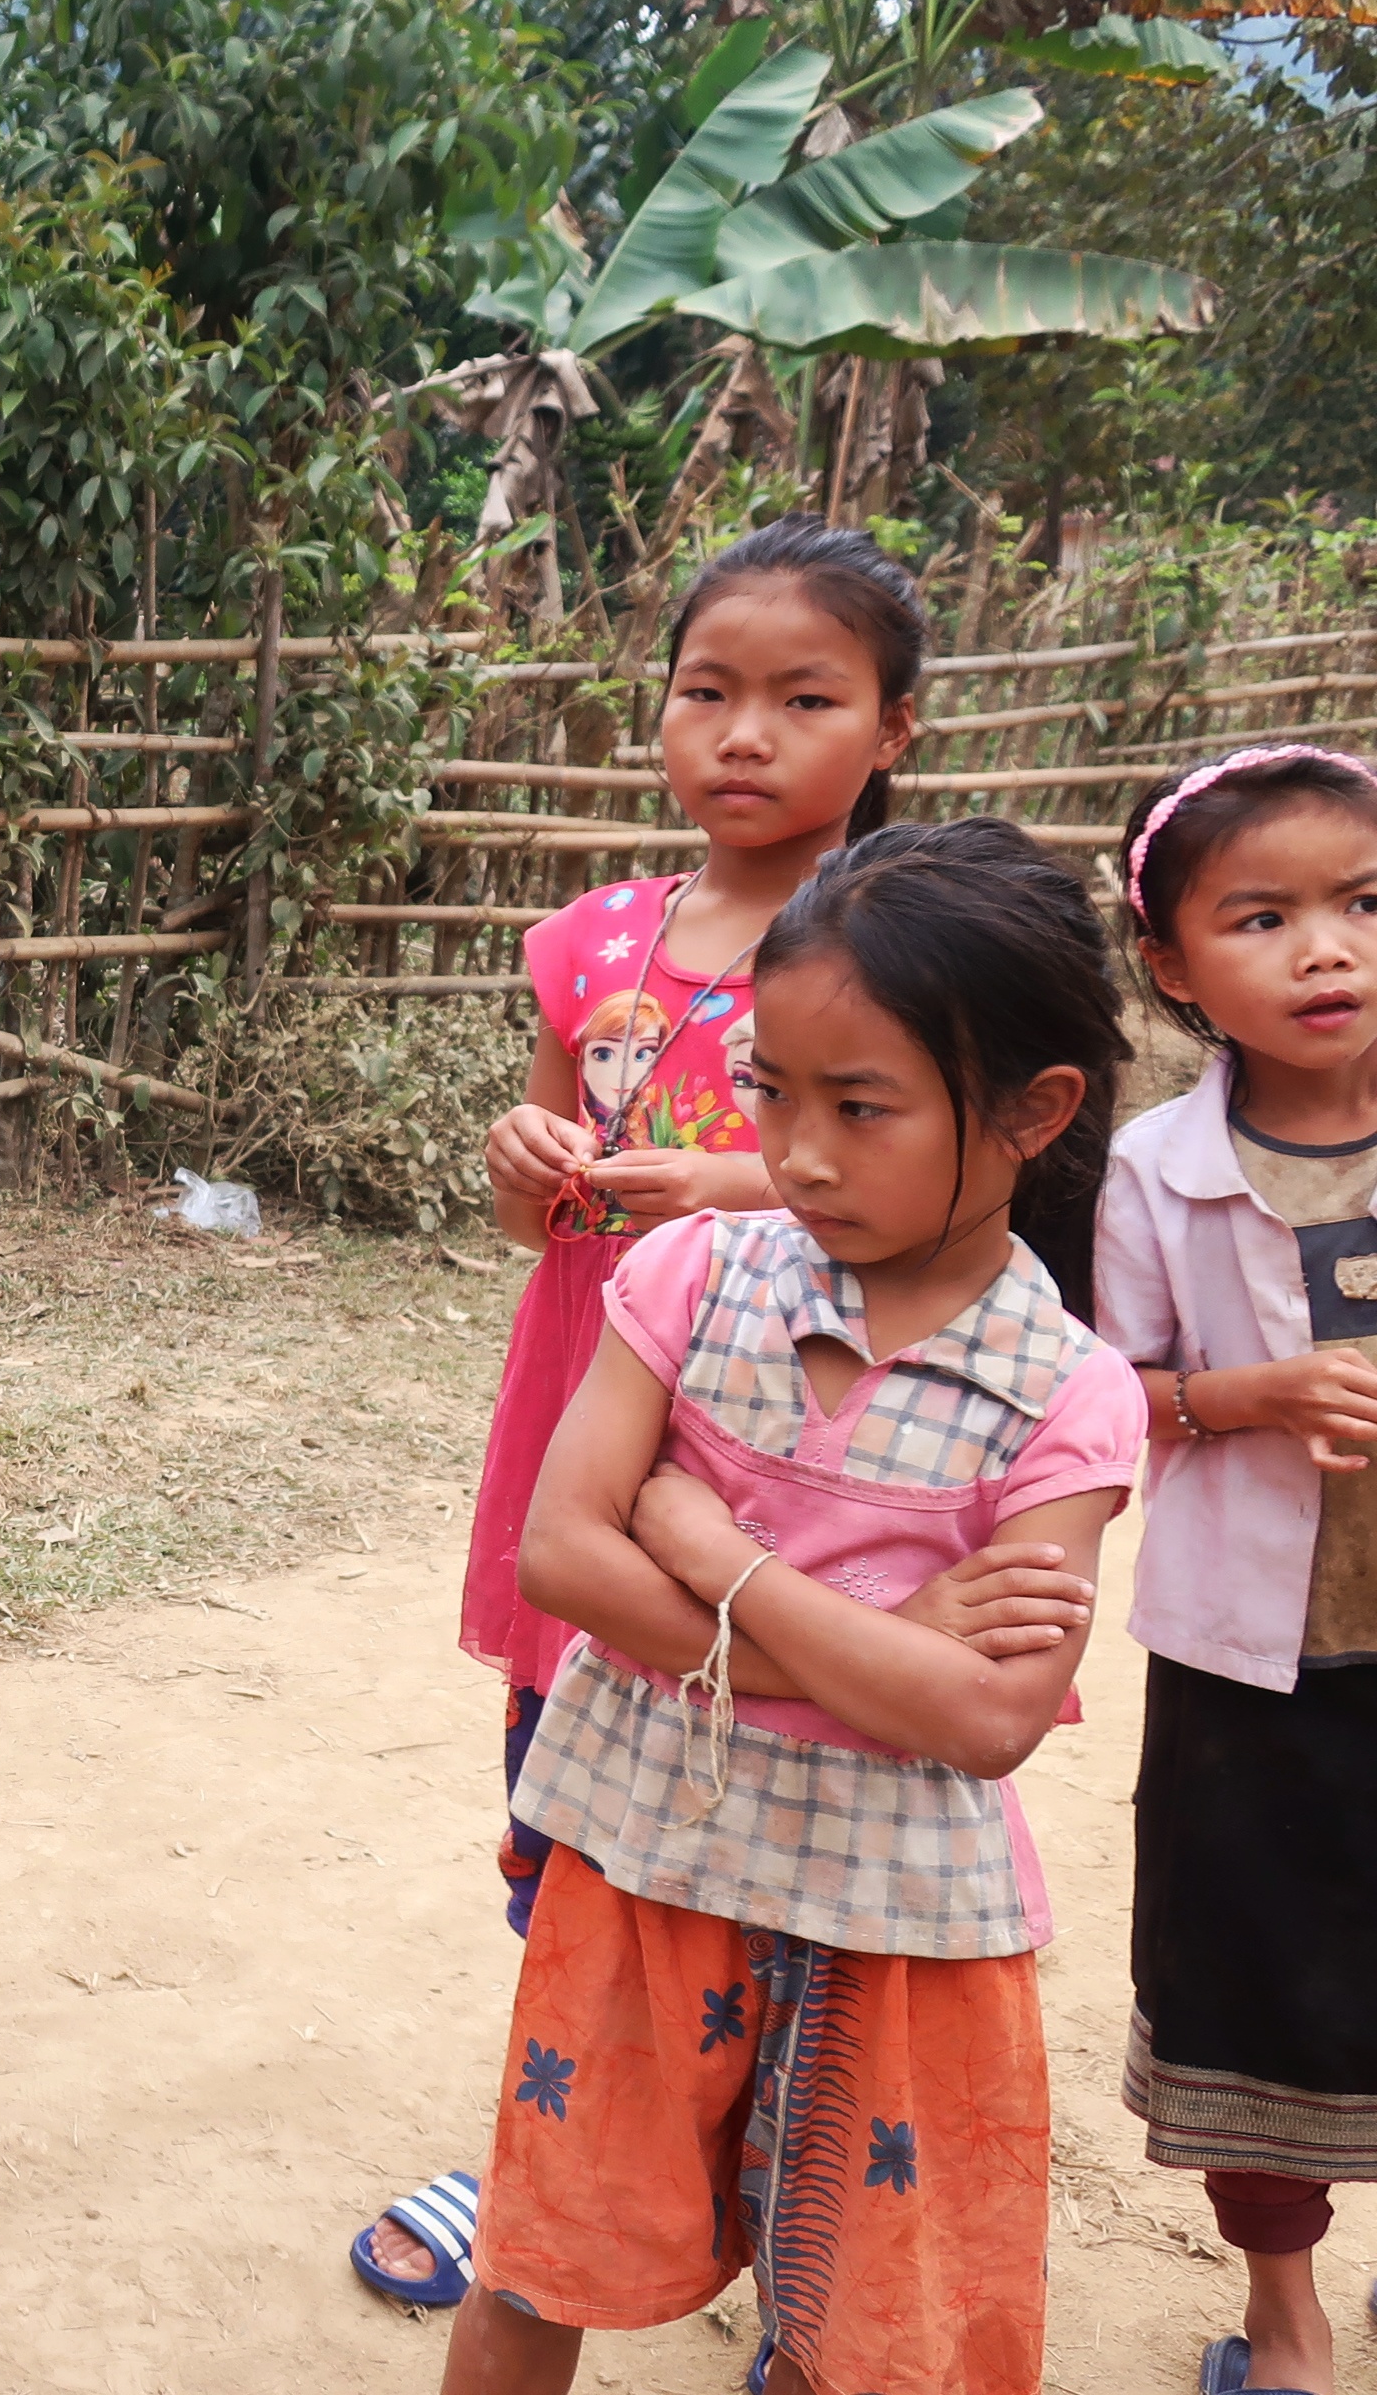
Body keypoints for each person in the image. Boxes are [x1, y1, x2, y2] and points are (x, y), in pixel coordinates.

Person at [440, 817, 1146, 2395]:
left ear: (1035, 1113)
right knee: (537, 2254)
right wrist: (882, 1644)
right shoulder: (695, 1271)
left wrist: (707, 1547)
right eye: (771, 1088)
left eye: (862, 1106)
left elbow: (985, 1721)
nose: (801, 1150)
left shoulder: (1068, 1395)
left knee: (866, 2337)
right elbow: (560, 1556)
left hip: (895, 1927)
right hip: (643, 1867)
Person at [353, 516, 923, 2305]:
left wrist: (741, 1187)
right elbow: (541, 1215)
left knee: (786, 1776)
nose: (740, 734)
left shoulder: (916, 948)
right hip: (582, 1412)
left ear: (892, 727)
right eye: (705, 691)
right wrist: (524, 1159)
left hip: (803, 1444)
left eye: (800, 696)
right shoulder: (590, 942)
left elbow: (963, 1189)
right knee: (567, 1778)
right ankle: (555, 2123)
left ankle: (767, 2150)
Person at [1099, 744, 1377, 2395]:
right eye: (1260, 916)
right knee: (1249, 1987)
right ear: (1169, 968)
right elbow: (1099, 1397)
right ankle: (1284, 2320)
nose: (1324, 948)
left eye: (1360, 903)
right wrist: (1243, 1397)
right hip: (1248, 1674)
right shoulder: (1152, 1169)